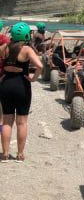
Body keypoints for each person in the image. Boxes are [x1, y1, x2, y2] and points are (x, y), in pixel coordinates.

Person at [0, 22, 43, 162]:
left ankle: (5, 154)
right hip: (22, 85)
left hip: (5, 84)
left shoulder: (4, 47)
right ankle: (19, 155)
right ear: (26, 35)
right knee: (22, 122)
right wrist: (33, 79)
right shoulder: (26, 49)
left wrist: (5, 71)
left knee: (6, 121)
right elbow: (40, 65)